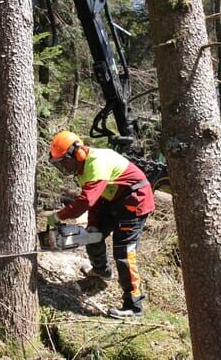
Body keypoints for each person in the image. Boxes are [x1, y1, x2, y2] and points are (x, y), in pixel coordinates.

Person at [47, 131, 155, 318]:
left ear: (77, 154)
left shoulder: (97, 163)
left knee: (124, 253)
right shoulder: (82, 169)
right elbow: (96, 201)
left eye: (63, 161)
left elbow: (85, 201)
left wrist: (59, 216)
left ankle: (134, 305)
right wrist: (94, 224)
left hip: (133, 202)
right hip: (112, 201)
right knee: (91, 234)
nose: (63, 167)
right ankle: (101, 270)